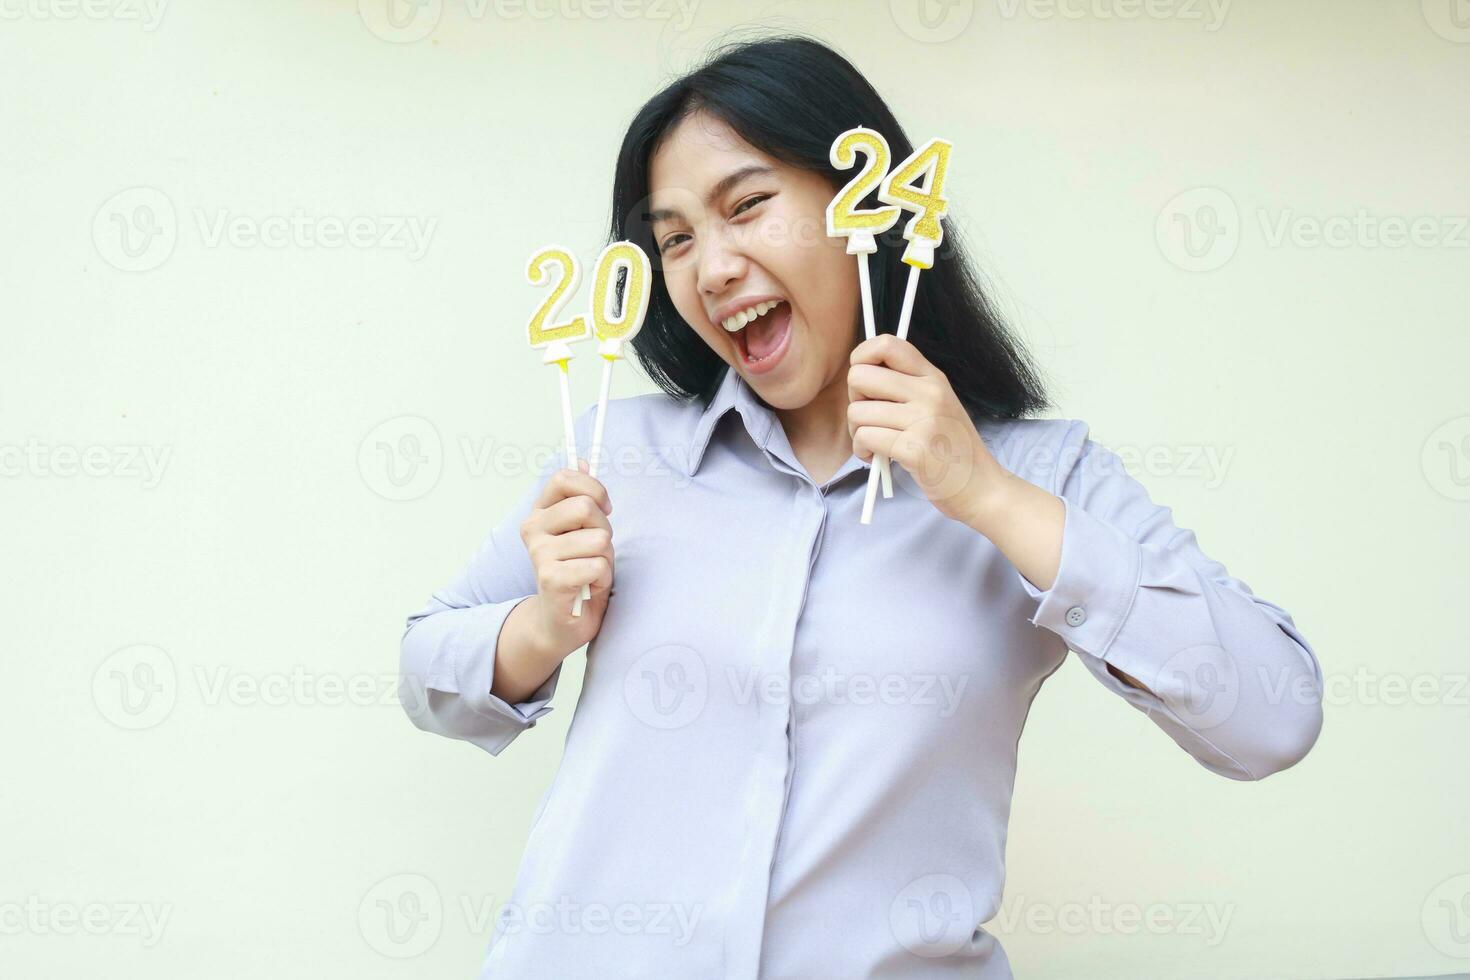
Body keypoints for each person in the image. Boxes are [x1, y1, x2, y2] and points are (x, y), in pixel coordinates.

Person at [399, 34, 1324, 979]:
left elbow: (1272, 717)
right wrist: (542, 629)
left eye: (748, 205)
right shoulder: (620, 456)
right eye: (674, 238)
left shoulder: (1043, 474)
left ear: (865, 206)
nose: (710, 267)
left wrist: (988, 498)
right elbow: (425, 670)